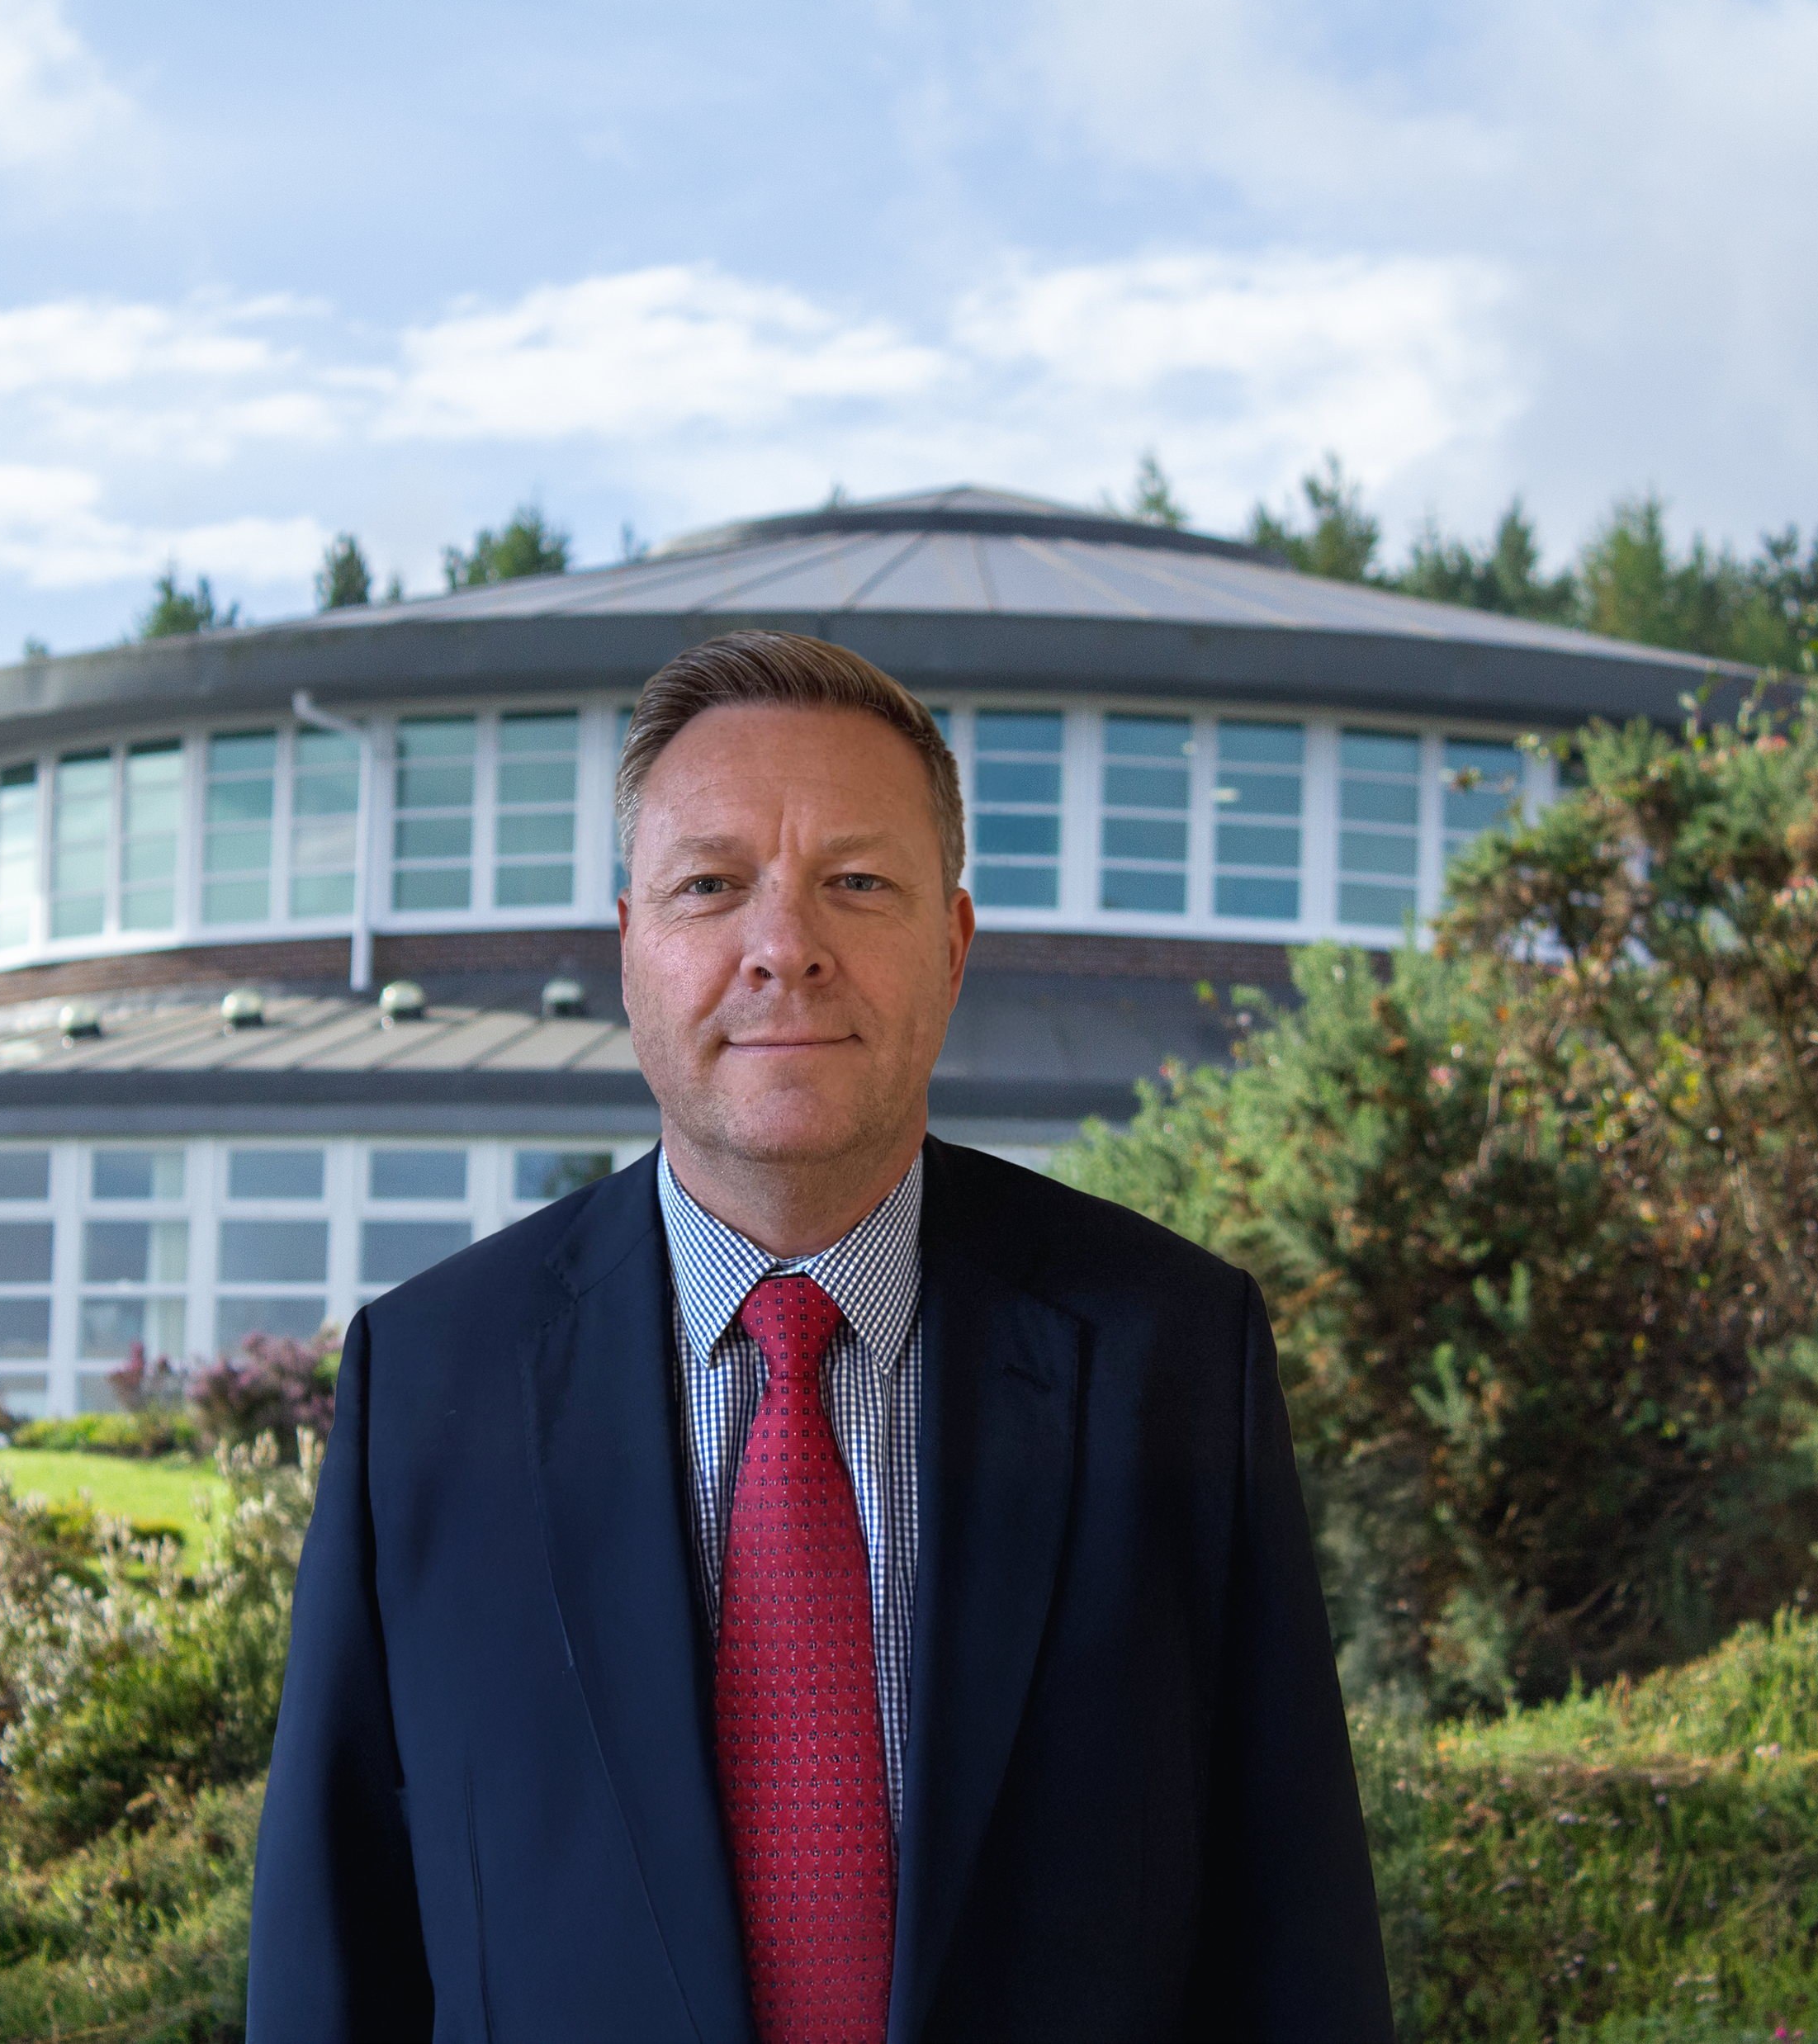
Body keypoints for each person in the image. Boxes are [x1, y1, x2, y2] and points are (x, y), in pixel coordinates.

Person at [246, 630, 1394, 2042]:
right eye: (711, 886)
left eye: (856, 884)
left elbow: (1298, 1953)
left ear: (955, 944)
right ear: (629, 950)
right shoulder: (429, 1386)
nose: (784, 947)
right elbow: (331, 1962)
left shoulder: (1170, 1359)